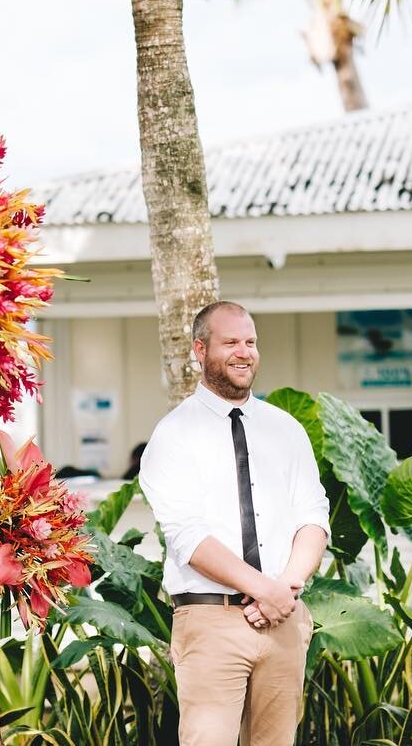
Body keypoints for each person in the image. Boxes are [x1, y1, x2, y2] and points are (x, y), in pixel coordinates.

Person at [139, 301, 330, 746]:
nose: (244, 352)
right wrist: (267, 591)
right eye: (231, 342)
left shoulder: (286, 429)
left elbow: (313, 515)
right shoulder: (174, 434)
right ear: (199, 349)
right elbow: (189, 537)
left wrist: (287, 588)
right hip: (210, 620)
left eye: (250, 341)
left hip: (283, 618)